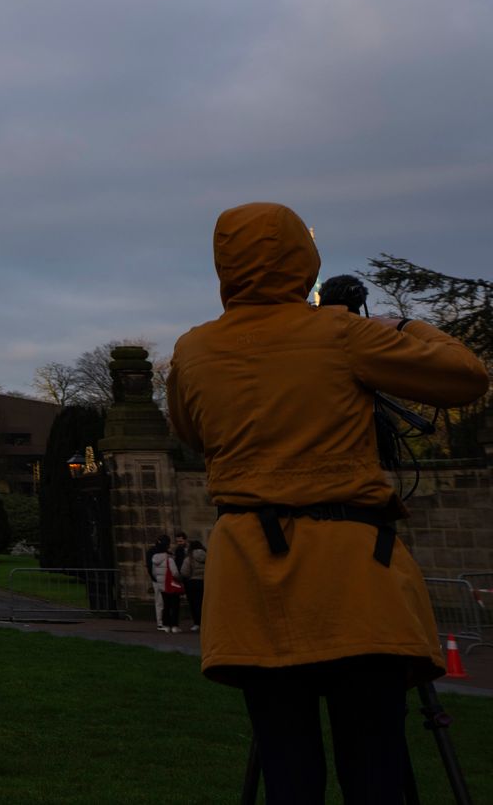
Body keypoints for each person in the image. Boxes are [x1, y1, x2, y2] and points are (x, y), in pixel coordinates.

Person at [168, 203, 488, 804]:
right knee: (375, 761)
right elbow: (465, 376)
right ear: (302, 260)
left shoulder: (194, 350)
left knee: (287, 762)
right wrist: (403, 329)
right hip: (351, 576)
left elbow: (191, 432)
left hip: (251, 579)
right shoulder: (342, 334)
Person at [152, 538, 185, 633]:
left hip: (162, 586)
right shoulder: (169, 559)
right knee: (175, 606)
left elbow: (154, 573)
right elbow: (174, 573)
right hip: (171, 585)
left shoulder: (154, 559)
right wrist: (180, 579)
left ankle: (166, 625)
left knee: (166, 606)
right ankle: (174, 626)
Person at [183, 538, 207, 634]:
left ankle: (197, 623)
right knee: (204, 604)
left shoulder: (189, 558)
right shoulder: (207, 556)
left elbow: (185, 572)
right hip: (204, 581)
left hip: (192, 583)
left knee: (194, 604)